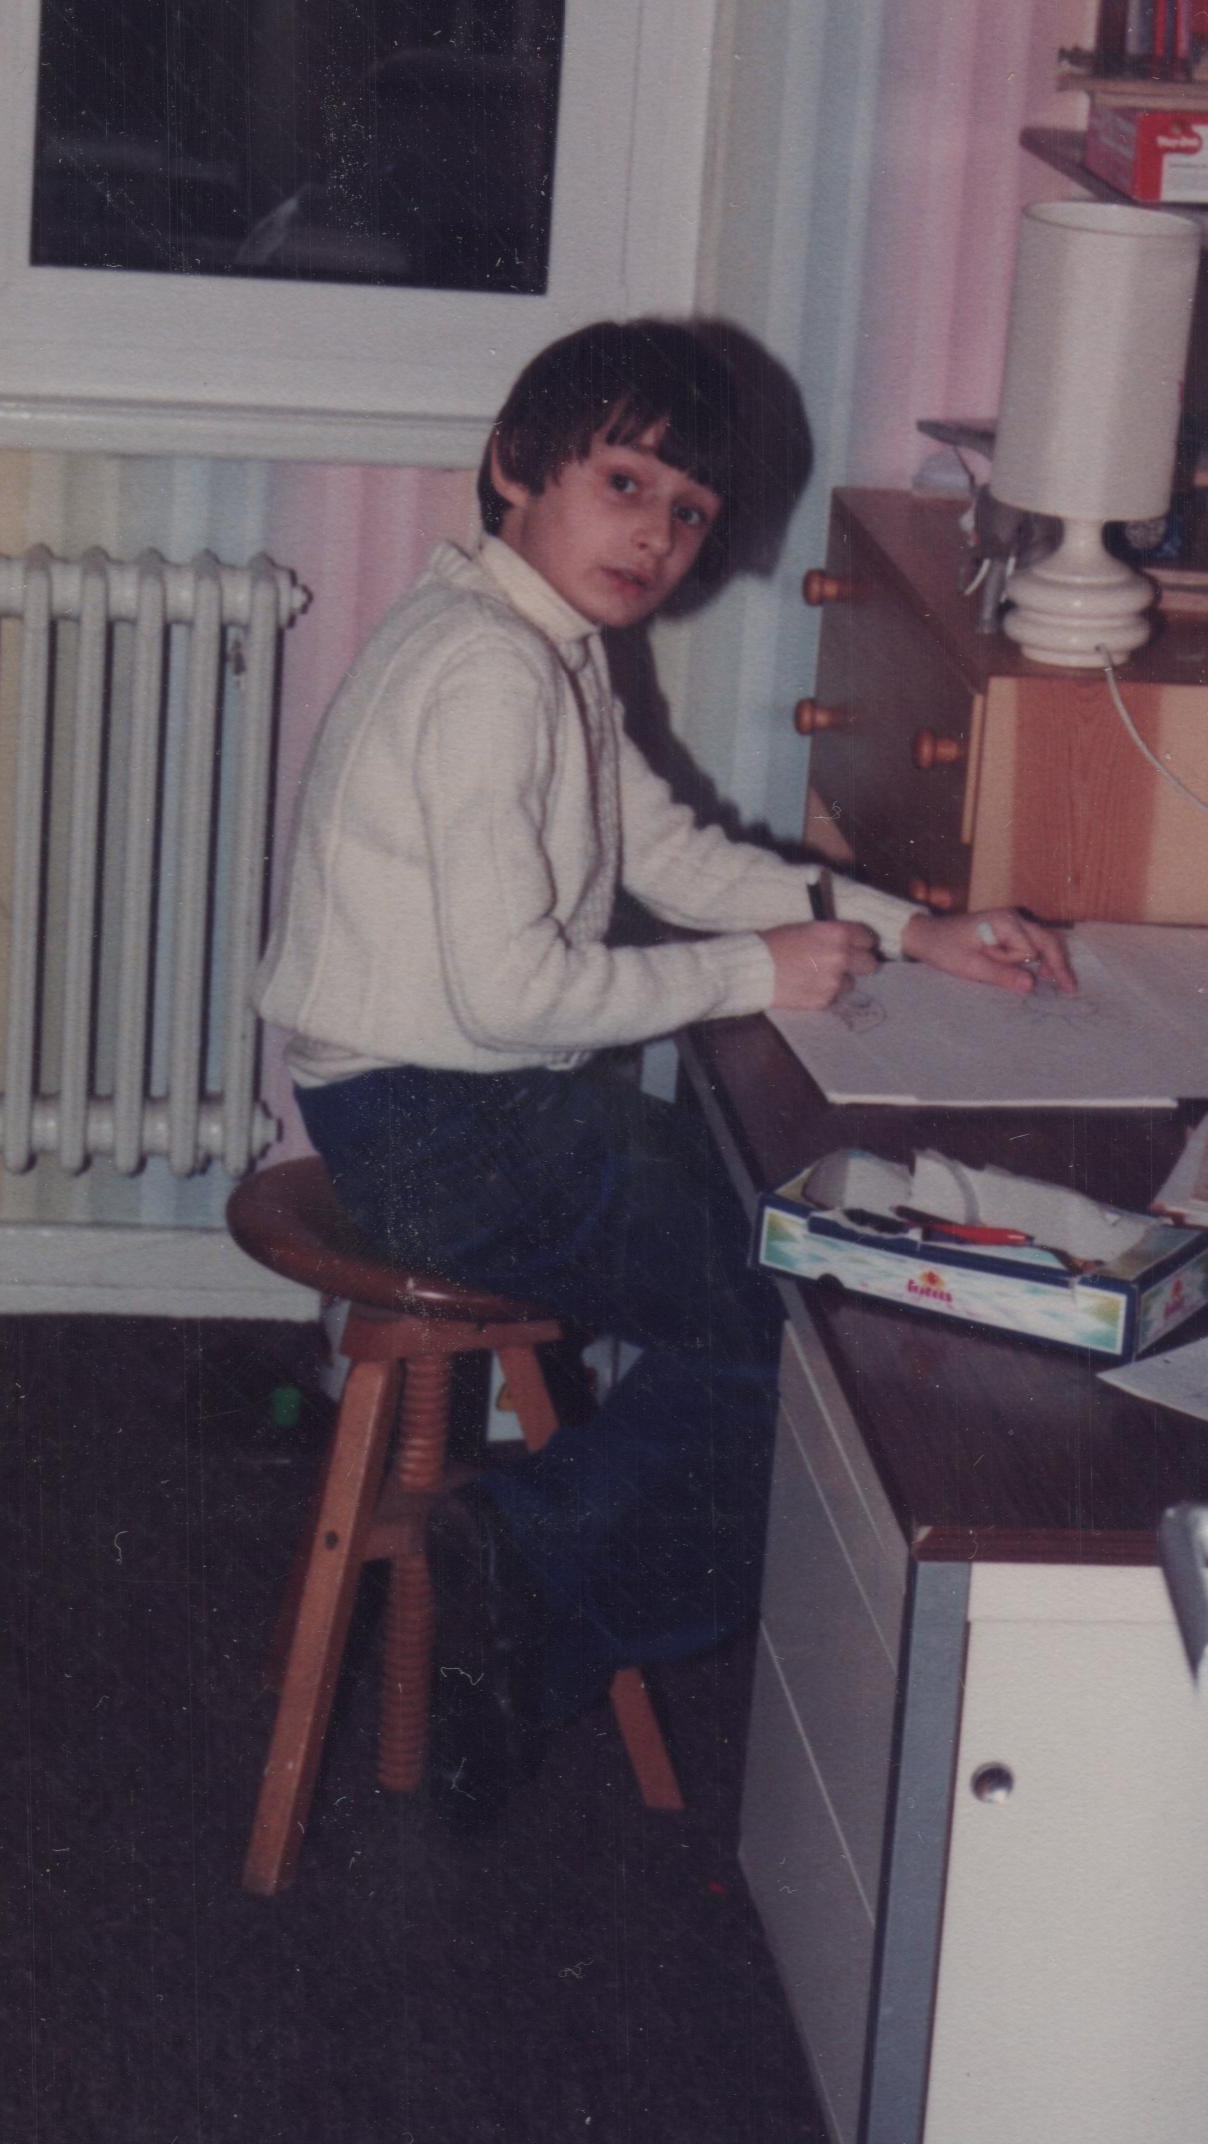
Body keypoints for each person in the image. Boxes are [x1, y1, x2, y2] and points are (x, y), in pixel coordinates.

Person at [254, 317, 1073, 1823]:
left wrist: (911, 930)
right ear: (516, 468)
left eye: (690, 512)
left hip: (465, 1106)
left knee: (786, 1256)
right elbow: (510, 993)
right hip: (440, 1126)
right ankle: (534, 1554)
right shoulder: (492, 675)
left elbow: (672, 854)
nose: (656, 535)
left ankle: (539, 1579)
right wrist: (757, 972)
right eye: (624, 483)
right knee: (802, 1325)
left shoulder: (539, 642)